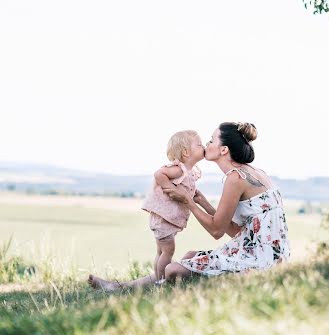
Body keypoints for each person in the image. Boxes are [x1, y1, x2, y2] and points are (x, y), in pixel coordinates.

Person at [88, 122, 290, 291]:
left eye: (211, 140)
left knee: (173, 270)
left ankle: (140, 287)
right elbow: (237, 231)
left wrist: (188, 201)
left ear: (223, 150)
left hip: (261, 260)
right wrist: (201, 202)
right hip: (263, 251)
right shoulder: (252, 172)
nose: (206, 144)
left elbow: (217, 231)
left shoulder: (235, 178)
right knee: (189, 256)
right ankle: (120, 287)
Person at [141, 130, 203, 282]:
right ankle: (162, 281)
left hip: (163, 219)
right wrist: (170, 188)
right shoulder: (178, 169)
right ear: (186, 152)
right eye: (200, 144)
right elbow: (158, 174)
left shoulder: (188, 171)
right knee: (168, 251)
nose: (204, 146)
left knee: (161, 252)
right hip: (163, 219)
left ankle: (157, 278)